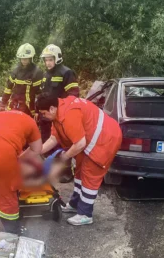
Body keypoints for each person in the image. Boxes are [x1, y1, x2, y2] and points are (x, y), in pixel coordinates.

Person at [36, 92, 122, 226]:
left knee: (90, 174)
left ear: (52, 108)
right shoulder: (58, 113)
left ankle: (85, 214)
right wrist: (37, 151)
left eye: (43, 113)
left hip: (105, 139)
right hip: (91, 138)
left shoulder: (69, 114)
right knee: (79, 172)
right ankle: (75, 204)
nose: (43, 116)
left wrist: (65, 156)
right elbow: (54, 138)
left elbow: (80, 143)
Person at [39, 44, 80, 183]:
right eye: (46, 60)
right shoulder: (46, 75)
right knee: (47, 143)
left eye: (50, 59)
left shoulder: (67, 73)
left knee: (63, 145)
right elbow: (43, 94)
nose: (47, 62)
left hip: (60, 116)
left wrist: (65, 113)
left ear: (57, 58)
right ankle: (52, 169)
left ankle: (67, 172)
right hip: (46, 116)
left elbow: (73, 95)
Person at [0, 43, 43, 116]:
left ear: (31, 58)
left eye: (26, 58)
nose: (24, 60)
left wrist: (39, 109)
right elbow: (8, 89)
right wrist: (3, 103)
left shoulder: (37, 72)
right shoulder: (15, 71)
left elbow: (40, 93)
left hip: (29, 108)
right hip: (14, 105)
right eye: (22, 58)